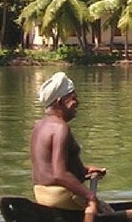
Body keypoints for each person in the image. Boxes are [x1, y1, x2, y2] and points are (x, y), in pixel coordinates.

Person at [31, 71, 107, 210]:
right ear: (60, 102)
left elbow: (48, 167)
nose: (77, 103)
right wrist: (90, 196)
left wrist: (84, 170)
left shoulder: (38, 126)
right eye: (73, 98)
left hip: (42, 195)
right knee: (107, 211)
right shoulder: (61, 128)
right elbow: (60, 174)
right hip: (61, 196)